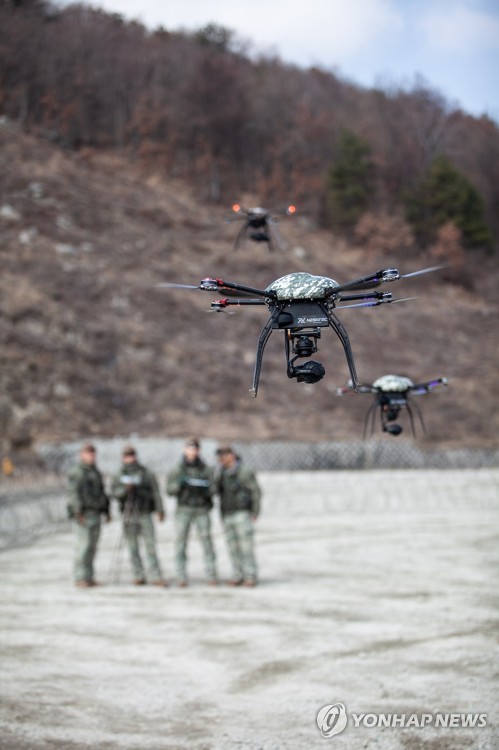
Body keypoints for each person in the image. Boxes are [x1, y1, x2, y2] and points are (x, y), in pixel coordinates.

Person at [111, 445, 167, 586]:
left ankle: (156, 575)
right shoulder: (119, 474)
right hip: (128, 512)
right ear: (123, 458)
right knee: (132, 546)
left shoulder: (145, 472)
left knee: (150, 546)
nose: (130, 458)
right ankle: (138, 574)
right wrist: (126, 489)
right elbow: (114, 493)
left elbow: (155, 492)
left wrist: (160, 510)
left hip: (144, 512)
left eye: (132, 455)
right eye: (127, 456)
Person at [166, 438, 217, 586]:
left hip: (201, 508)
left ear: (198, 450)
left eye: (194, 448)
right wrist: (180, 485)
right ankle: (181, 576)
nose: (192, 451)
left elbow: (213, 488)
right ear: (184, 449)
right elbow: (169, 490)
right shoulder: (178, 469)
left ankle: (211, 574)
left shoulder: (206, 469)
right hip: (184, 509)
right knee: (181, 542)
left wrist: (204, 488)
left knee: (207, 541)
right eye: (189, 448)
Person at [215, 445, 261, 587]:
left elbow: (255, 491)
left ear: (232, 456)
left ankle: (250, 575)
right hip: (228, 513)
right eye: (220, 457)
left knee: (246, 547)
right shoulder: (222, 473)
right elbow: (218, 492)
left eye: (224, 456)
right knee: (232, 547)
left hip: (242, 513)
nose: (221, 460)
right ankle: (237, 574)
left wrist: (255, 511)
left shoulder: (244, 472)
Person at [67, 442, 110, 588]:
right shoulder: (77, 472)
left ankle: (89, 576)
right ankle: (80, 577)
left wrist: (106, 510)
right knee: (83, 547)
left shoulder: (95, 471)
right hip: (84, 514)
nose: (91, 456)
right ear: (82, 455)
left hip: (95, 513)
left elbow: (101, 493)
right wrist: (77, 511)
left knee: (92, 547)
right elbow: (73, 494)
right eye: (88, 453)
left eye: (93, 453)